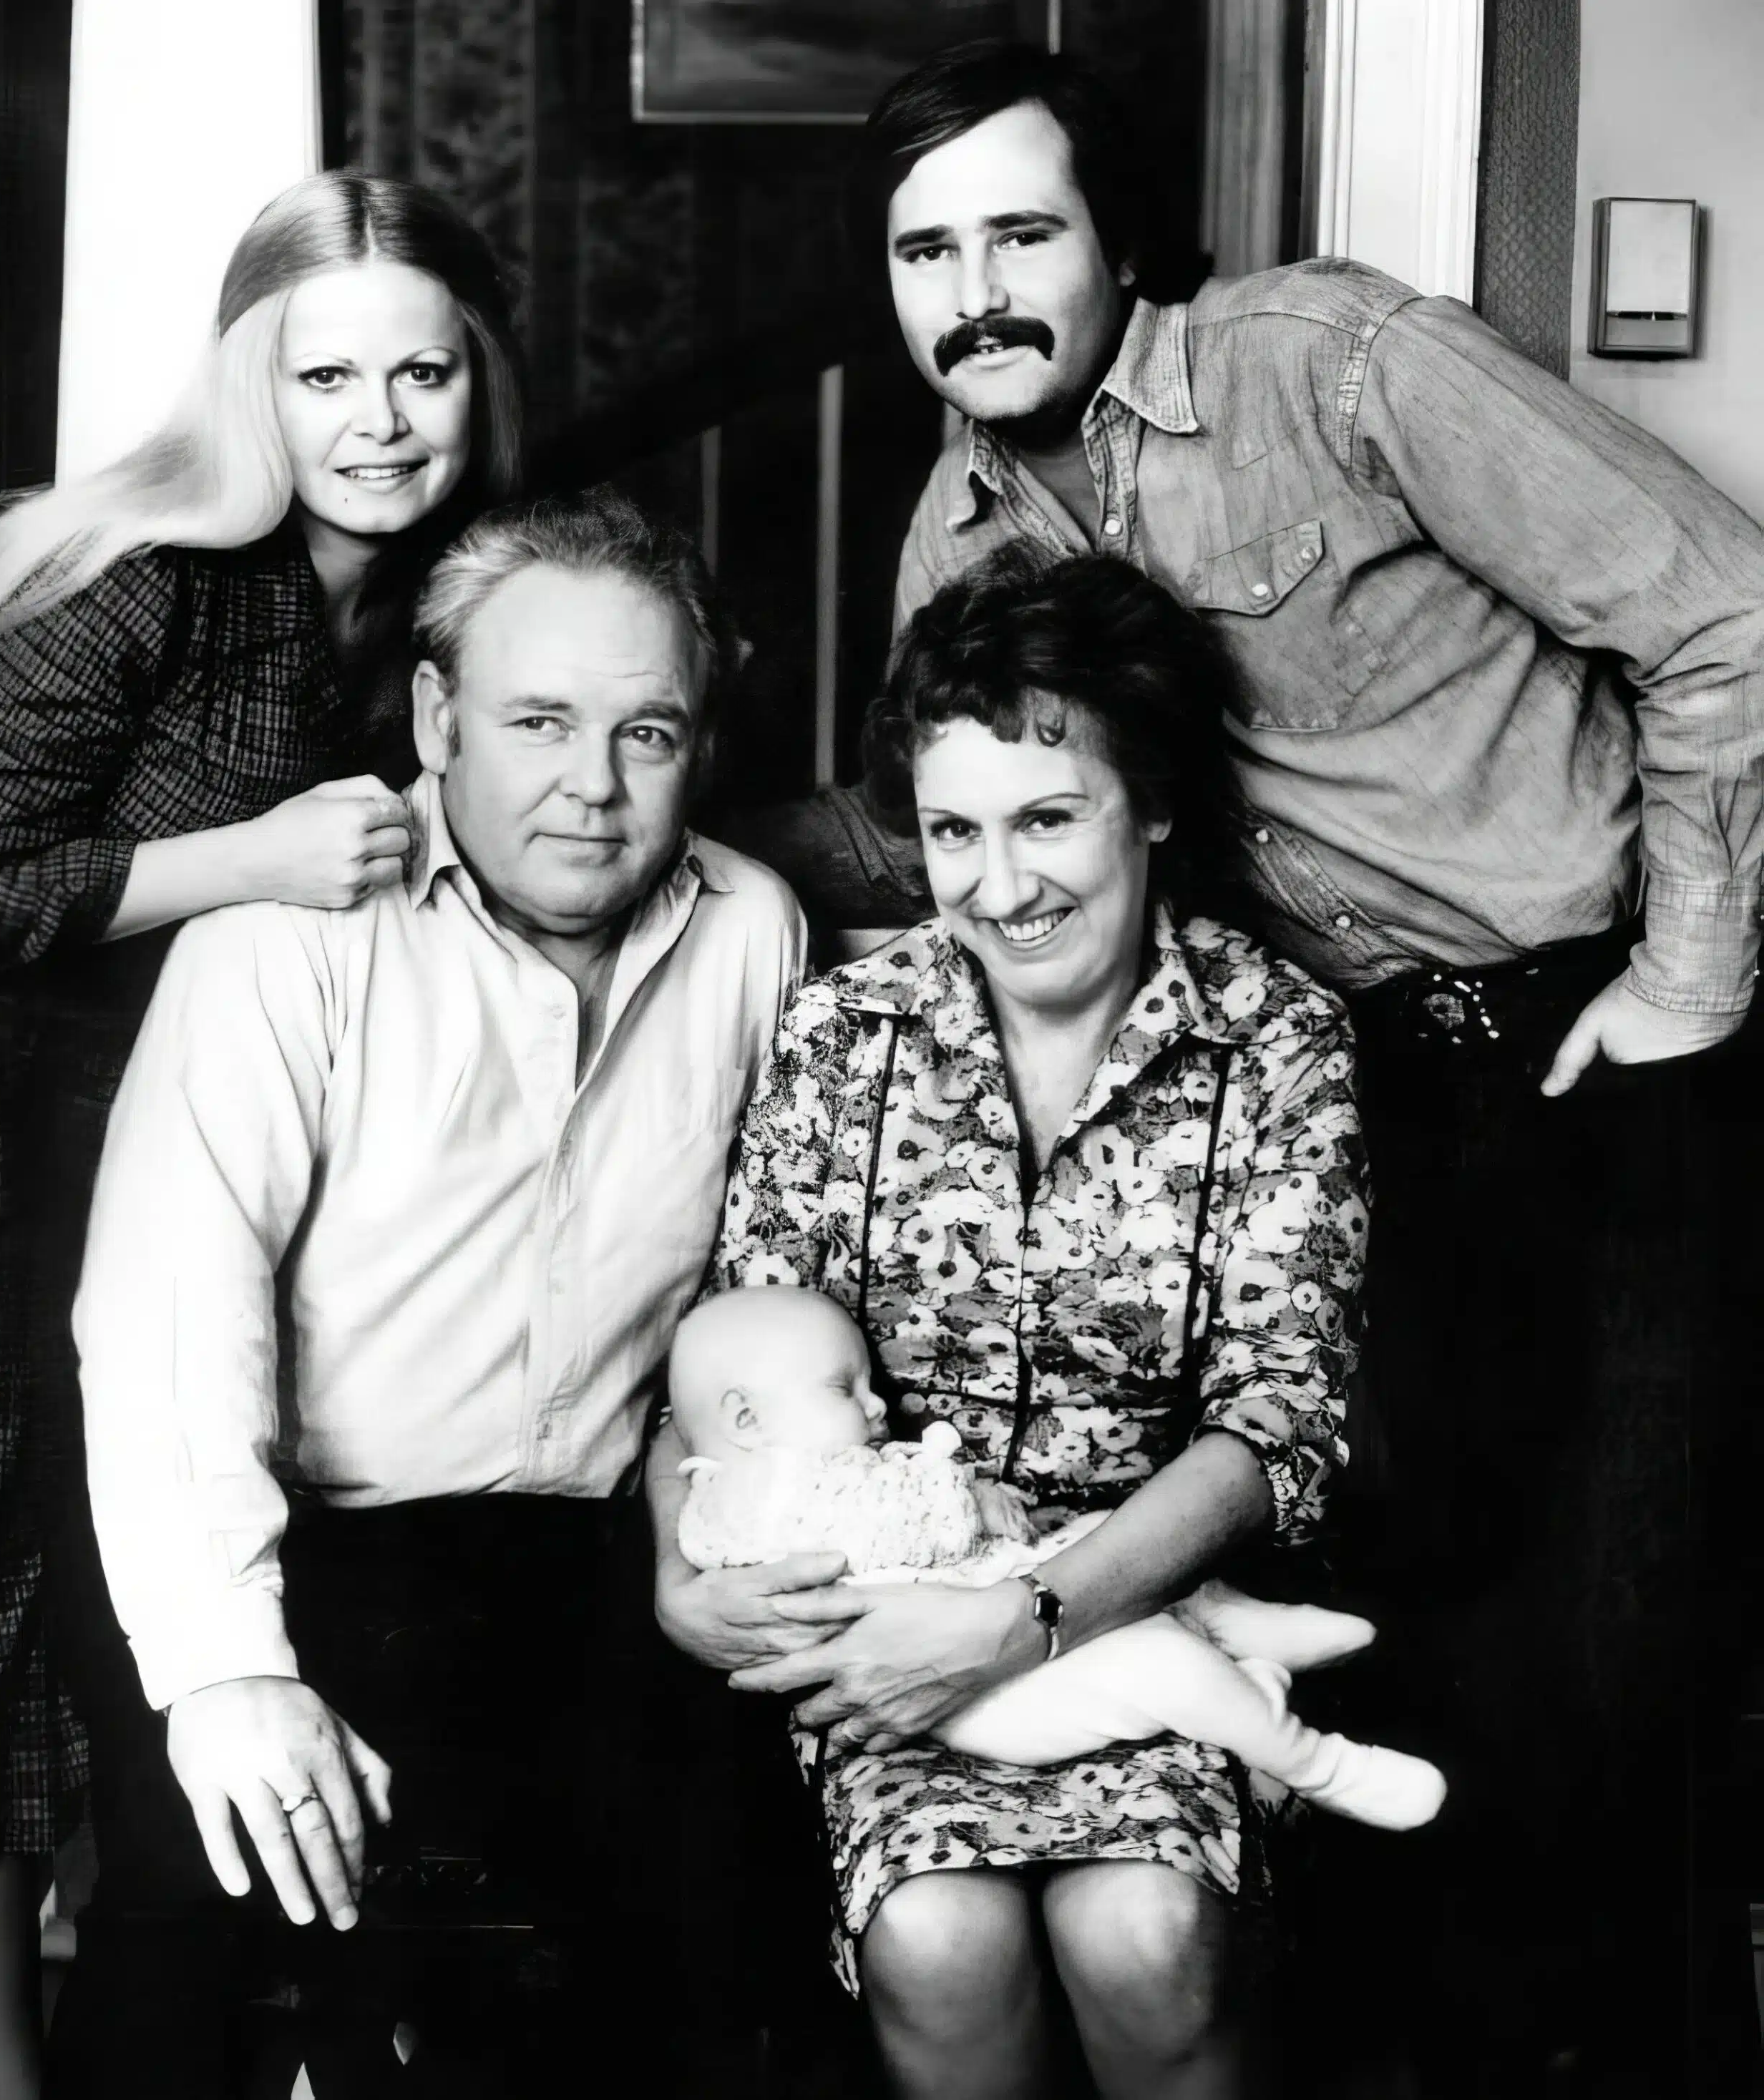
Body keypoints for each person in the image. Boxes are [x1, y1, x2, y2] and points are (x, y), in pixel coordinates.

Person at [793, 39, 1762, 2095]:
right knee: (1407, 1669)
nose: (971, 287)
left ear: (1121, 238)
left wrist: (1686, 978)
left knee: (1623, 1665)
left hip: (1590, 1051)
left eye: (1020, 231)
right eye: (922, 247)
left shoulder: (1342, 365)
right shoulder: (952, 538)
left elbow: (1727, 612)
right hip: (1340, 1114)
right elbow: (940, 842)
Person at [59, 490, 807, 2094]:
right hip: (307, 1553)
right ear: (432, 714)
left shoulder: (753, 931)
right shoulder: (281, 939)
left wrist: (697, 1534)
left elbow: (759, 1305)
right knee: (197, 1939)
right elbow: (165, 1321)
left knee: (703, 1969)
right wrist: (231, 1670)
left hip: (605, 1560)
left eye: (646, 732)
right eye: (537, 720)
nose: (589, 789)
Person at [0, 168, 521, 2100]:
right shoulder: (140, 575)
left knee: (146, 1598)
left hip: (196, 1149)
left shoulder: (455, 593)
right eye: (325, 372)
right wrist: (239, 859)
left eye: (420, 371)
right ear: (245, 384)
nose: (378, 420)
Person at [652, 549, 1369, 2100]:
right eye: (953, 831)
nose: (1000, 883)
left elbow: (1277, 1417)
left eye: (1048, 817)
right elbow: (725, 1360)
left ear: (1154, 805)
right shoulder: (844, 1034)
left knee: (1143, 1934)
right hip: (887, 1624)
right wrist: (676, 1576)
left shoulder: (1273, 1038)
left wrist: (1032, 1612)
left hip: (1158, 1622)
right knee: (937, 1940)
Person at [670, 1285, 1443, 1826]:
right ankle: (1318, 1764)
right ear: (745, 1417)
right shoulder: (764, 1494)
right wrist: (963, 1496)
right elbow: (897, 1531)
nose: (878, 1406)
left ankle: (1235, 1626)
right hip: (964, 1695)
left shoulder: (777, 1471)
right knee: (1156, 1667)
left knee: (1109, 1533)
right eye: (846, 1387)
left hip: (993, 1603)